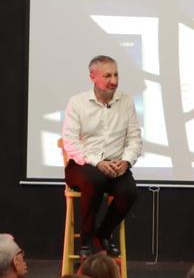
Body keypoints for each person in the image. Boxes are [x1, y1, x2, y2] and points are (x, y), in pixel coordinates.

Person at [62, 55, 143, 258]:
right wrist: (97, 162)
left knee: (129, 192)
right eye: (107, 75)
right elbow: (70, 142)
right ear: (93, 77)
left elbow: (134, 139)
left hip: (115, 165)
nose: (114, 80)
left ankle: (103, 234)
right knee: (95, 180)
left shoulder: (126, 102)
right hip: (82, 164)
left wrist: (126, 161)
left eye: (116, 74)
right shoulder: (77, 103)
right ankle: (86, 239)